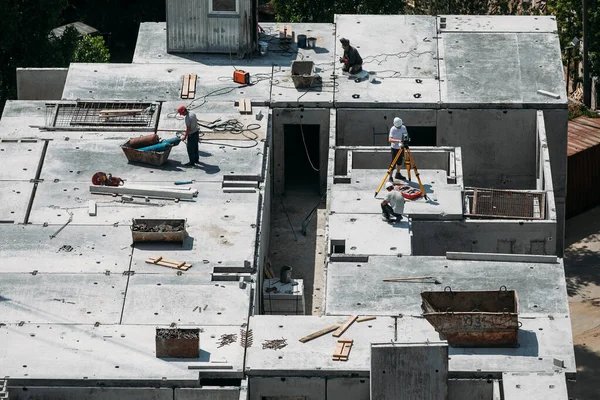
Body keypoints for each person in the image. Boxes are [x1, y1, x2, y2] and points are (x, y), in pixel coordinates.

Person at [389, 117, 407, 181]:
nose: (399, 127)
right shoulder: (393, 129)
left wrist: (405, 141)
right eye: (398, 127)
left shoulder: (403, 127)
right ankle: (390, 176)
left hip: (401, 147)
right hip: (394, 148)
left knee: (399, 161)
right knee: (393, 163)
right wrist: (398, 141)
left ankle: (398, 174)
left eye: (400, 126)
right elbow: (390, 139)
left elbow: (405, 135)